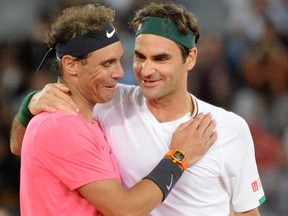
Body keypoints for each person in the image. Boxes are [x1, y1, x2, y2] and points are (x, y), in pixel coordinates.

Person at [10, 2, 265, 216]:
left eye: (161, 58)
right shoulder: (105, 102)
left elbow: (246, 211)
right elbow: (23, 144)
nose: (145, 70)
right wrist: (30, 105)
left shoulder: (229, 129)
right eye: (140, 57)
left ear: (191, 58)